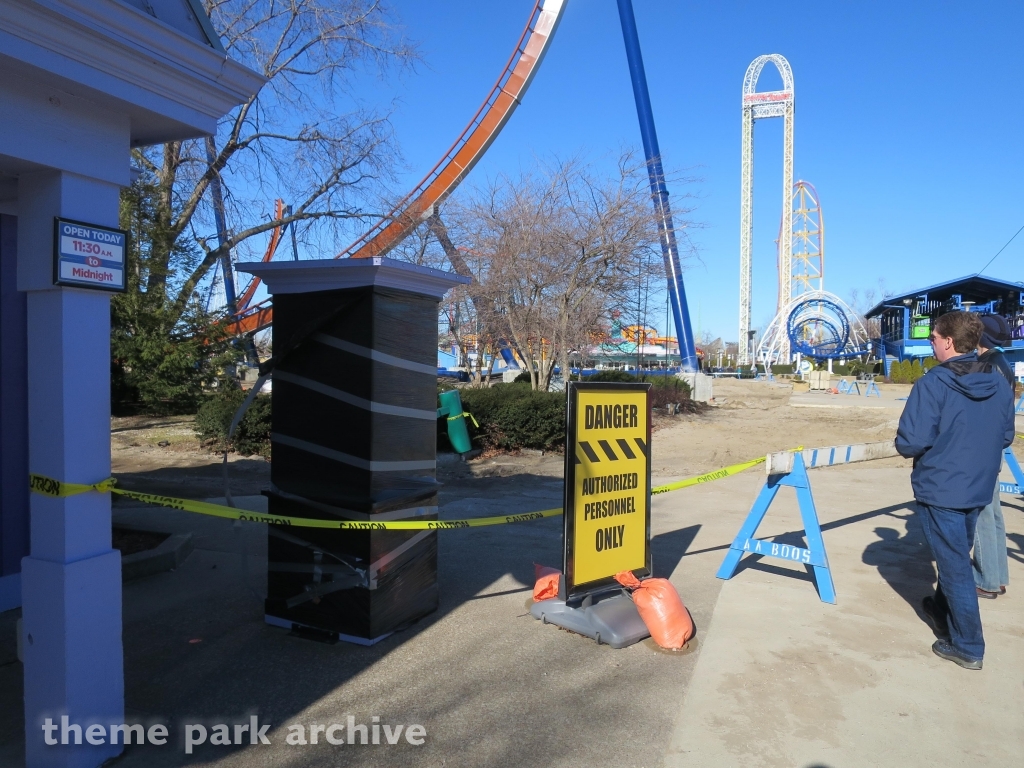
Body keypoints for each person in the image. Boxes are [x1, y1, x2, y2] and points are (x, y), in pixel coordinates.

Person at [895, 311, 1015, 670]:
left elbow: (910, 442)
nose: (930, 342)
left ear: (948, 341)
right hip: (978, 486)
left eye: (933, 337)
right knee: (956, 556)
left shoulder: (932, 383)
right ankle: (940, 609)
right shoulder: (998, 380)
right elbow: (1006, 435)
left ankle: (968, 646)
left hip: (942, 488)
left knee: (955, 568)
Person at [973, 315, 1015, 599]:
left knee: (983, 514)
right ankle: (997, 575)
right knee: (994, 512)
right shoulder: (1002, 363)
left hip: (983, 447)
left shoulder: (986, 365)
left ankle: (986, 579)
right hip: (995, 445)